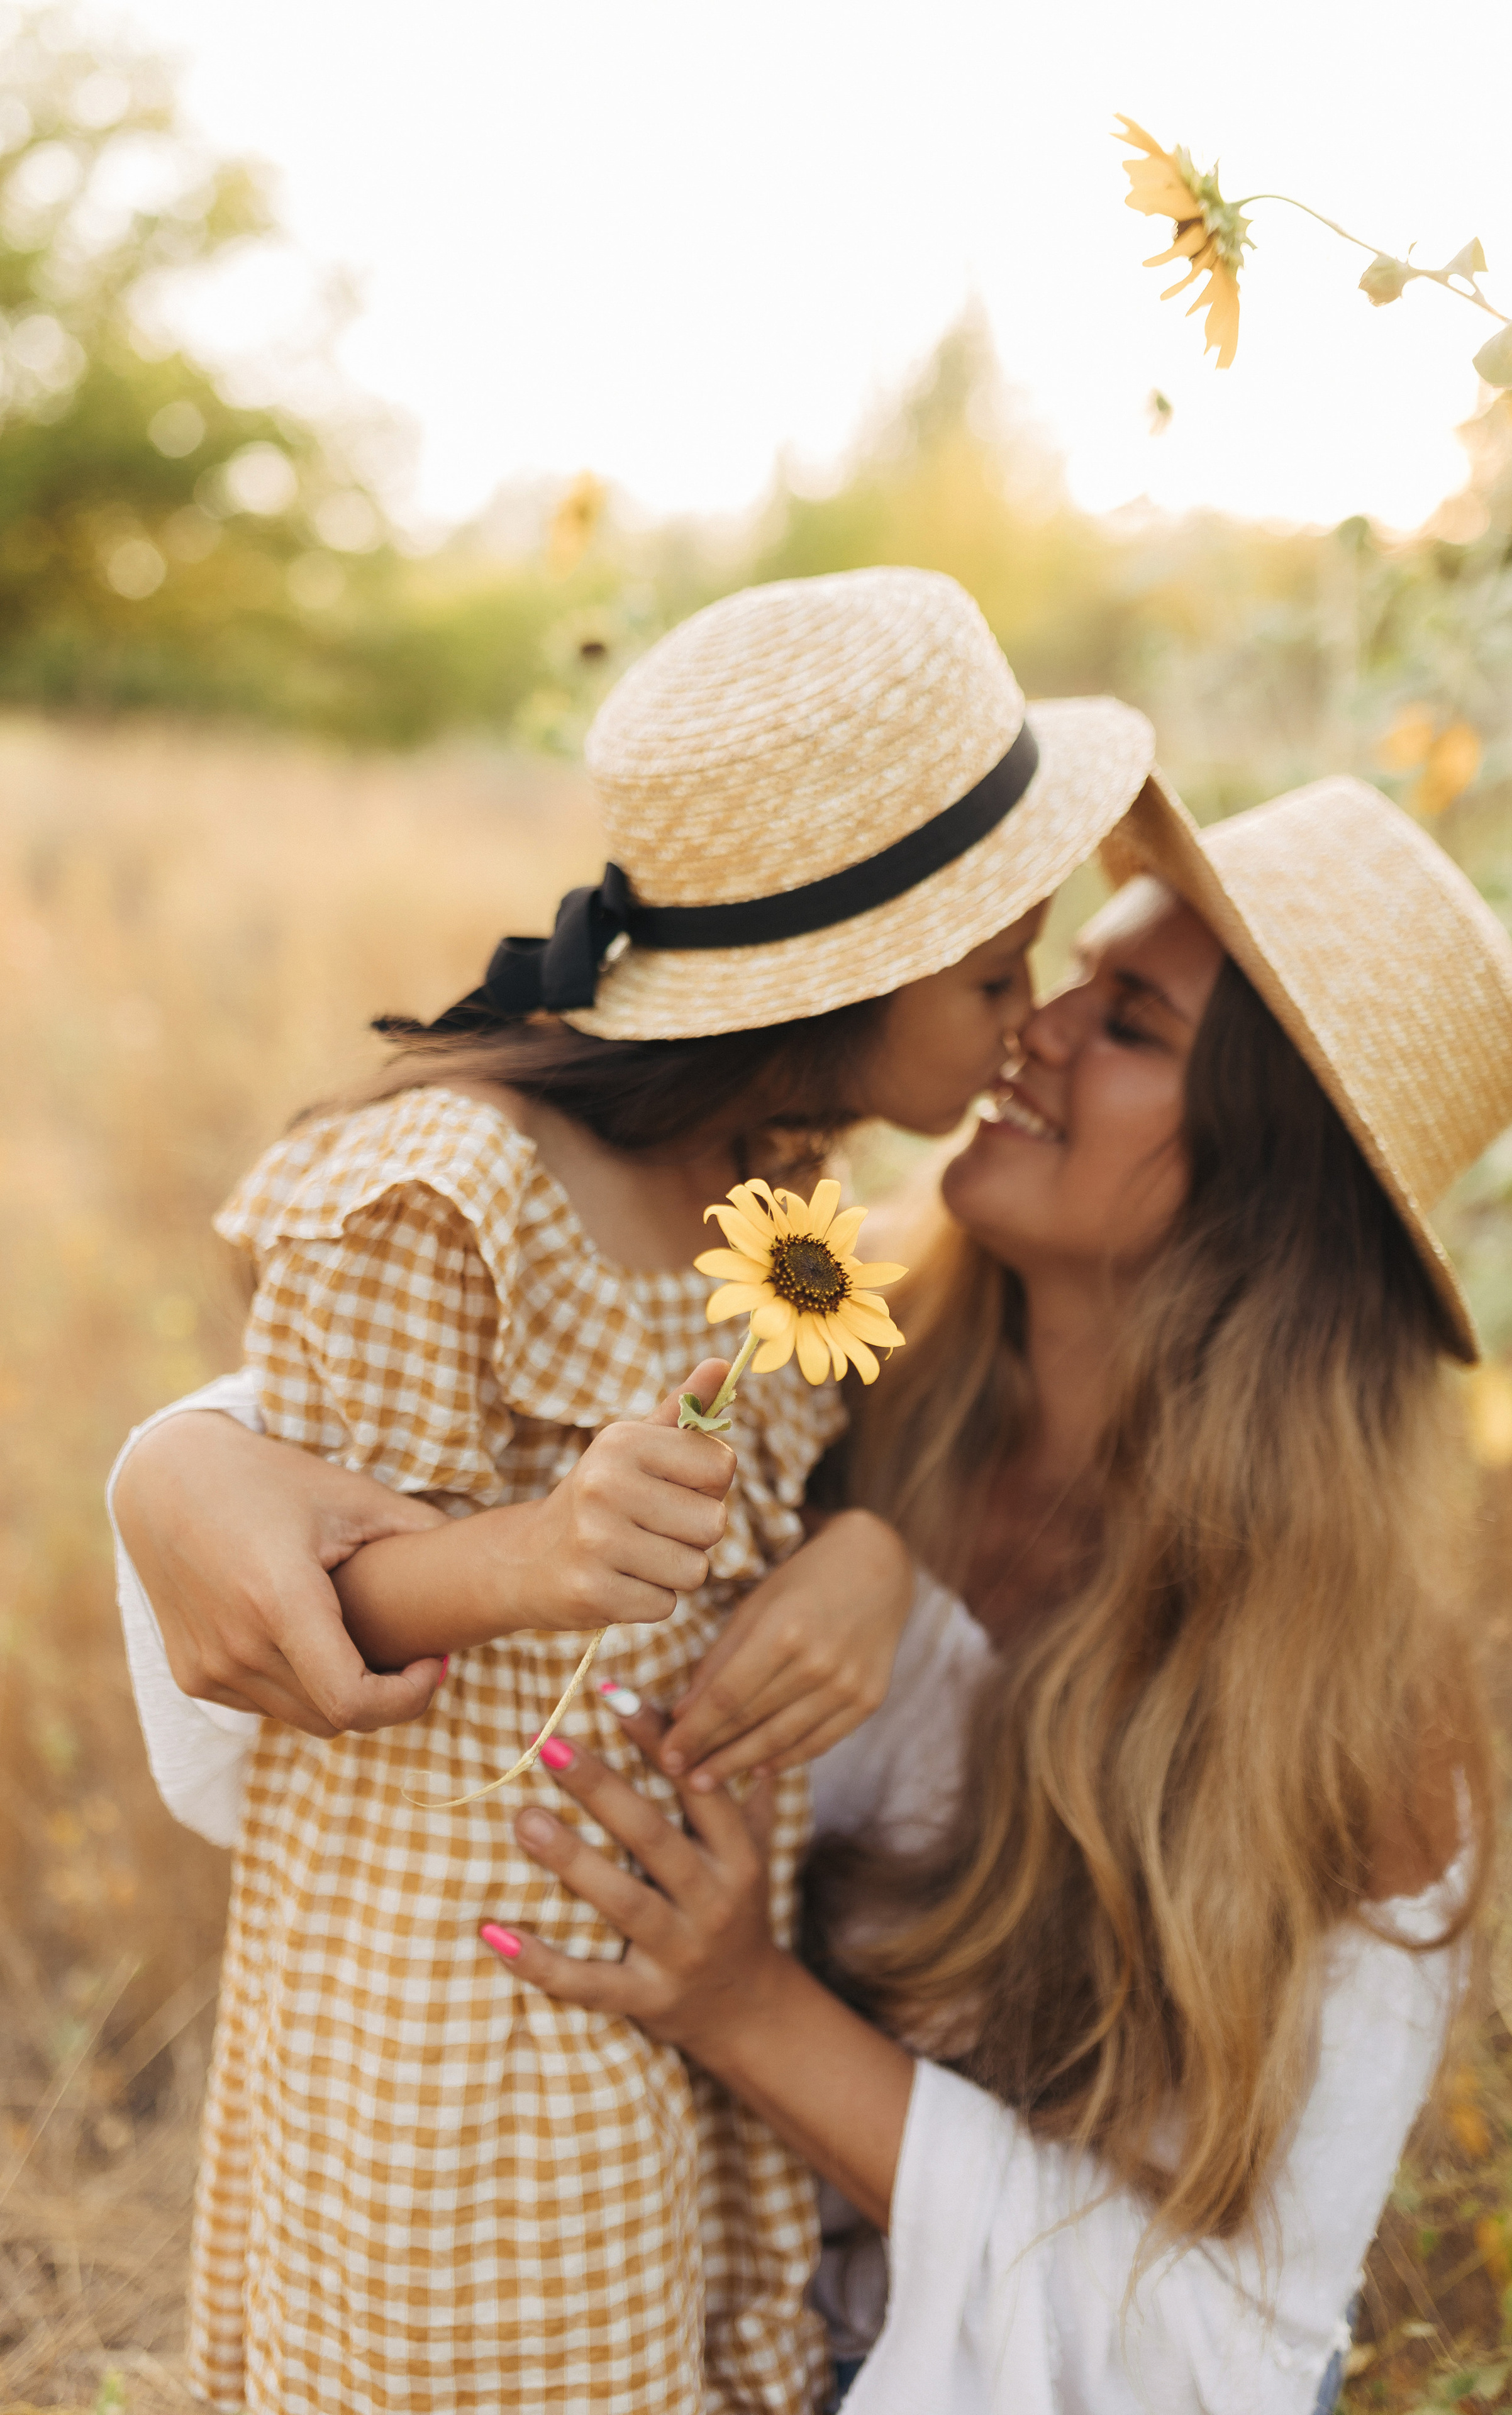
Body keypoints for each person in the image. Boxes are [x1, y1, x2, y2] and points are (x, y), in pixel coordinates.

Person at [108, 565, 1157, 2415]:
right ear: (851, 977)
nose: (1029, 1014)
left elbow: (810, 1489)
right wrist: (537, 1556)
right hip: (456, 2008)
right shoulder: (458, 1194)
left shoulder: (782, 1204)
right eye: (997, 974)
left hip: (656, 1977)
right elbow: (313, 1626)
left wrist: (861, 1538)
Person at [465, 772, 1512, 2412]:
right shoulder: (834, 1350)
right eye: (1069, 979)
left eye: (1127, 1025)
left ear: (1271, 1182)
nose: (1029, 1030)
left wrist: (748, 2008)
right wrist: (185, 1476)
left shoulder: (1355, 1713)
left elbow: (1224, 2347)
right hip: (691, 2294)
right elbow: (471, 1411)